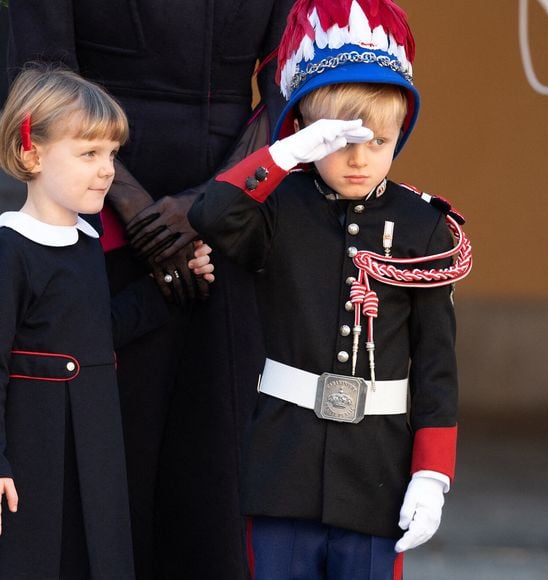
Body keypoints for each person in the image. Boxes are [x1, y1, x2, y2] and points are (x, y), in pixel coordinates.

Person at [7, 2, 294, 577]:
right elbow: (42, 74)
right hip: (95, 207)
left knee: (217, 459)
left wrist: (209, 205)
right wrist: (140, 212)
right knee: (106, 459)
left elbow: (290, 83)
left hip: (231, 224)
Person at [188, 1, 473, 578]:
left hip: (378, 471)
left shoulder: (424, 227)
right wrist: (284, 153)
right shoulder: (278, 208)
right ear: (310, 134)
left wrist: (431, 474)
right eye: (339, 140)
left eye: (378, 141)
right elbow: (211, 215)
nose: (359, 158)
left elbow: (437, 366)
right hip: (282, 466)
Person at [0, 64, 214, 579]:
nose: (107, 170)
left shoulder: (88, 243)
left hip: (95, 447)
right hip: (34, 453)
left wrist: (176, 283)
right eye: (89, 153)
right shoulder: (9, 248)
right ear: (31, 153)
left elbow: (99, 328)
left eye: (112, 155)